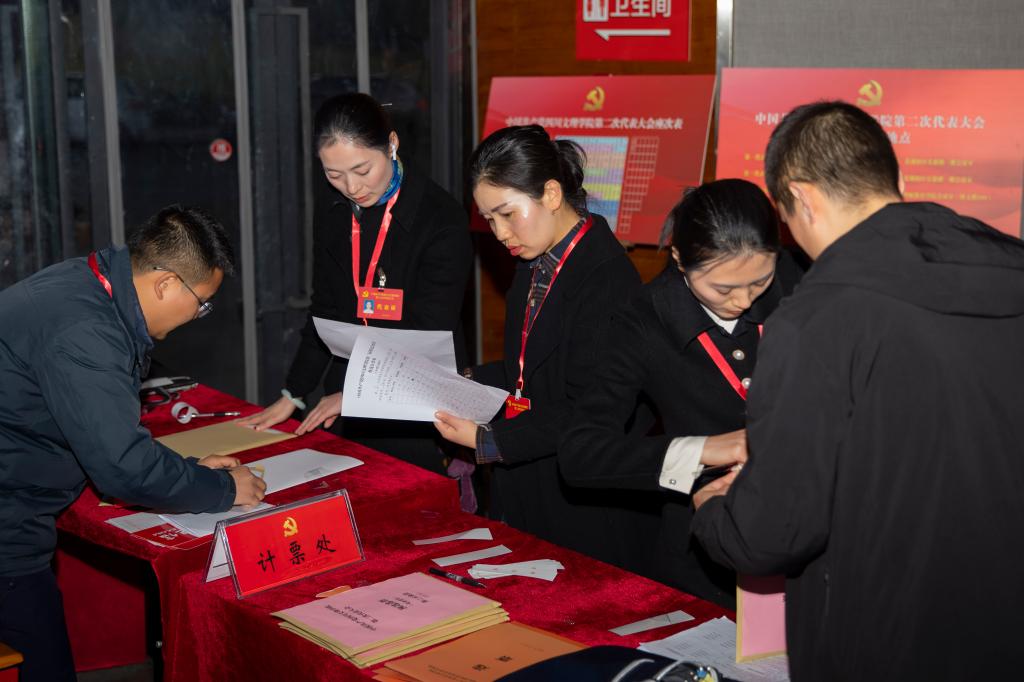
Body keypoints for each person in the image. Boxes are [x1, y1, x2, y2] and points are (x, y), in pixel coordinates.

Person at [691, 101, 1024, 679]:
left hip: (890, 635)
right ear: (896, 180)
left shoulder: (816, 319)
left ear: (802, 200)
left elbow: (775, 532)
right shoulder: (1011, 267)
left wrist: (714, 512)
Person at [0, 205, 267, 682]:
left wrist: (189, 471)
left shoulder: (86, 282)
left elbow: (102, 434)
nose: (199, 315)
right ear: (166, 284)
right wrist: (223, 489)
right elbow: (121, 466)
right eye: (202, 303)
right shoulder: (87, 332)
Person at [559, 179, 802, 606]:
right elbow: (581, 452)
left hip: (806, 536)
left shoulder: (798, 282)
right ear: (678, 259)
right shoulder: (644, 321)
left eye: (759, 282)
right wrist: (704, 450)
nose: (743, 301)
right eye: (722, 289)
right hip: (706, 557)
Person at [433, 124, 645, 562]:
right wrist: (460, 379)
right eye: (489, 219)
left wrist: (489, 440)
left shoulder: (607, 279)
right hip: (529, 482)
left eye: (507, 214)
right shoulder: (535, 260)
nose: (499, 232)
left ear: (550, 193)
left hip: (580, 503)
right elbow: (527, 371)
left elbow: (588, 409)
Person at [240, 93, 472, 473]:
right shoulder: (334, 209)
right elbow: (326, 309)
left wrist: (353, 397)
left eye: (362, 170)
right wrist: (293, 394)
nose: (351, 187)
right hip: (347, 396)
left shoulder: (440, 219)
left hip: (419, 405)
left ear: (391, 144)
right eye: (334, 174)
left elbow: (428, 334)